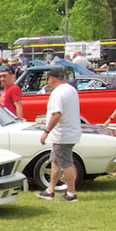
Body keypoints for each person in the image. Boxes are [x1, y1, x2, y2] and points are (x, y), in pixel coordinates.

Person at [38, 68, 81, 201]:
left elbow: (57, 114)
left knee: (66, 163)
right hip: (69, 132)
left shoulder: (57, 93)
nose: (48, 82)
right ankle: (50, 190)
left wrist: (46, 131)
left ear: (52, 79)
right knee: (55, 162)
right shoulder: (71, 89)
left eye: (48, 79)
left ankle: (71, 194)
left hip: (63, 134)